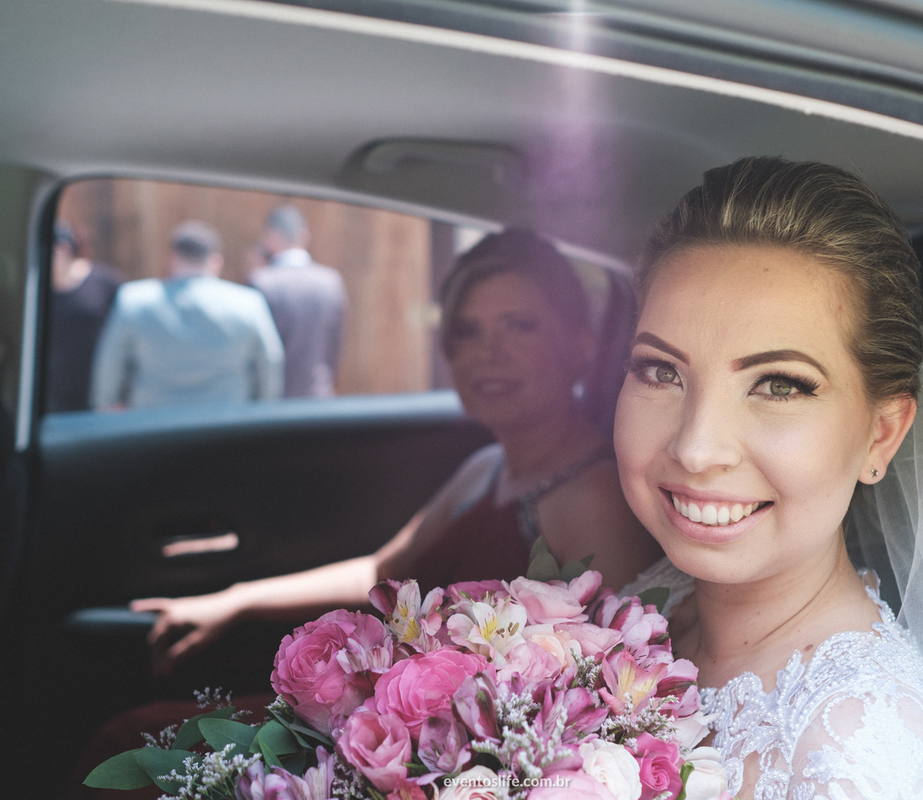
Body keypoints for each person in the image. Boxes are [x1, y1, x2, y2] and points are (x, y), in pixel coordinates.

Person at [617, 157, 923, 798]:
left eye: (779, 384)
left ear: (882, 433)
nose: (698, 447)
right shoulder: (652, 601)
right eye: (661, 371)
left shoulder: (861, 755)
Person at [132, 228, 663, 675]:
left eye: (519, 326)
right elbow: (383, 572)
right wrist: (237, 600)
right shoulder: (485, 468)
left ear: (581, 343)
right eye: (468, 331)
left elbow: (610, 680)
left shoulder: (594, 498)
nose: (488, 354)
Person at [90, 220, 284, 409]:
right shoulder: (248, 303)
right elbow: (271, 359)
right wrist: (263, 410)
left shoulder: (134, 300)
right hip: (227, 427)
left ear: (173, 258)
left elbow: (110, 361)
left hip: (154, 429)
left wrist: (105, 406)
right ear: (216, 261)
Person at [248, 204, 347, 397]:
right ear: (304, 235)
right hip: (318, 397)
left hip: (276, 403)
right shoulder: (331, 281)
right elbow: (335, 348)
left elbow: (254, 353)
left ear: (271, 237)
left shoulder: (261, 282)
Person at [46, 221, 122, 412]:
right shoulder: (34, 290)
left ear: (62, 250)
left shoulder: (105, 283)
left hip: (99, 392)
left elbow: (126, 336)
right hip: (52, 396)